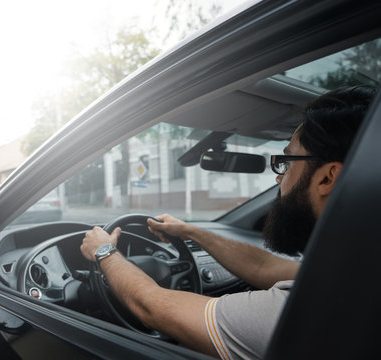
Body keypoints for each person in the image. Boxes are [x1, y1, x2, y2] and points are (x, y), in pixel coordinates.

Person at [80, 85, 376, 359]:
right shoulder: (356, 271)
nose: (278, 176)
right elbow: (266, 268)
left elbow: (152, 307)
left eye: (287, 162)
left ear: (327, 177)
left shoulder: (306, 311)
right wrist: (191, 231)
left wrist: (104, 252)